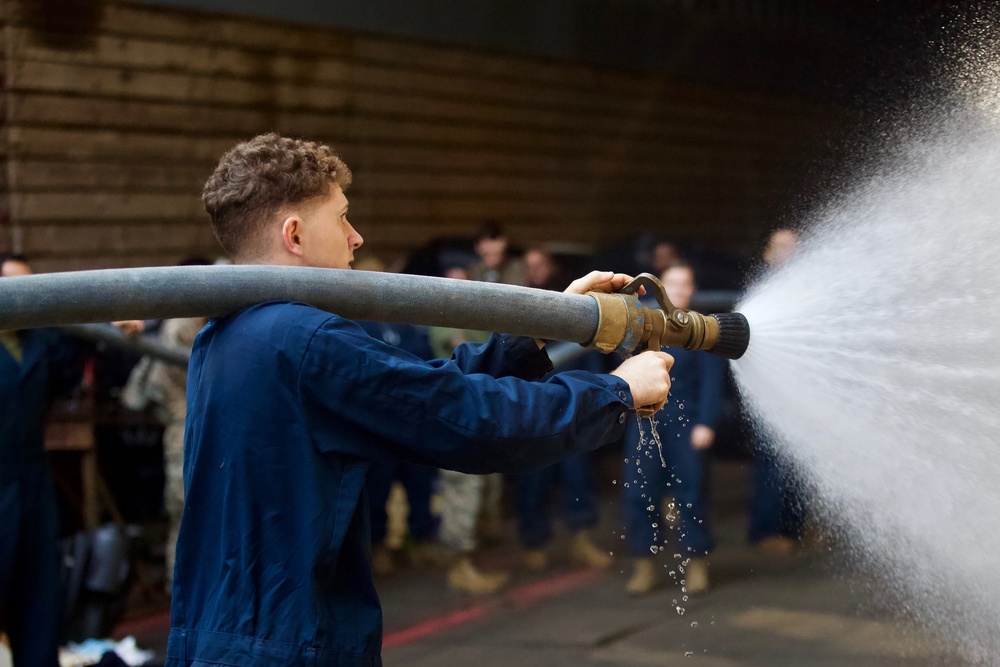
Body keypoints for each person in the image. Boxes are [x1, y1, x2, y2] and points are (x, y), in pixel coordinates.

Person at [165, 133, 674, 667]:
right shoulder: (308, 338)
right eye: (342, 218)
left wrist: (536, 332)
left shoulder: (224, 336)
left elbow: (418, 394)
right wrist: (617, 390)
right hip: (286, 646)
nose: (356, 237)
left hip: (217, 637)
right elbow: (470, 423)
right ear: (294, 234)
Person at [0, 255, 142, 667]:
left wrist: (116, 327)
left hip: (30, 479)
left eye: (32, 288)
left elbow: (94, 356)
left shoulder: (41, 341)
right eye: (13, 287)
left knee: (39, 597)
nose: (25, 297)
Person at [622, 262, 726, 596]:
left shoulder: (702, 329)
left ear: (692, 290)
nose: (679, 290)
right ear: (661, 289)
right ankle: (644, 564)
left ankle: (696, 562)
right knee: (640, 493)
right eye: (672, 284)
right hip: (645, 420)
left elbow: (713, 381)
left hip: (687, 422)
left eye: (685, 284)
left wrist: (706, 423)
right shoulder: (642, 326)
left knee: (691, 494)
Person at [515, 249, 612, 572]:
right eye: (530, 266)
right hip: (534, 408)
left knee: (578, 475)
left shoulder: (574, 306)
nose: (535, 270)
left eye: (539, 264)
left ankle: (581, 538)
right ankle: (534, 543)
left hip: (572, 407)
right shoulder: (519, 303)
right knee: (534, 478)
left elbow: (592, 357)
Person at [749, 228, 806, 553]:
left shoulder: (807, 288)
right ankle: (766, 531)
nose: (788, 253)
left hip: (800, 393)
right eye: (781, 247)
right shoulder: (762, 292)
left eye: (793, 247)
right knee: (771, 463)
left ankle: (793, 529)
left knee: (797, 460)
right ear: (768, 254)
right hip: (771, 393)